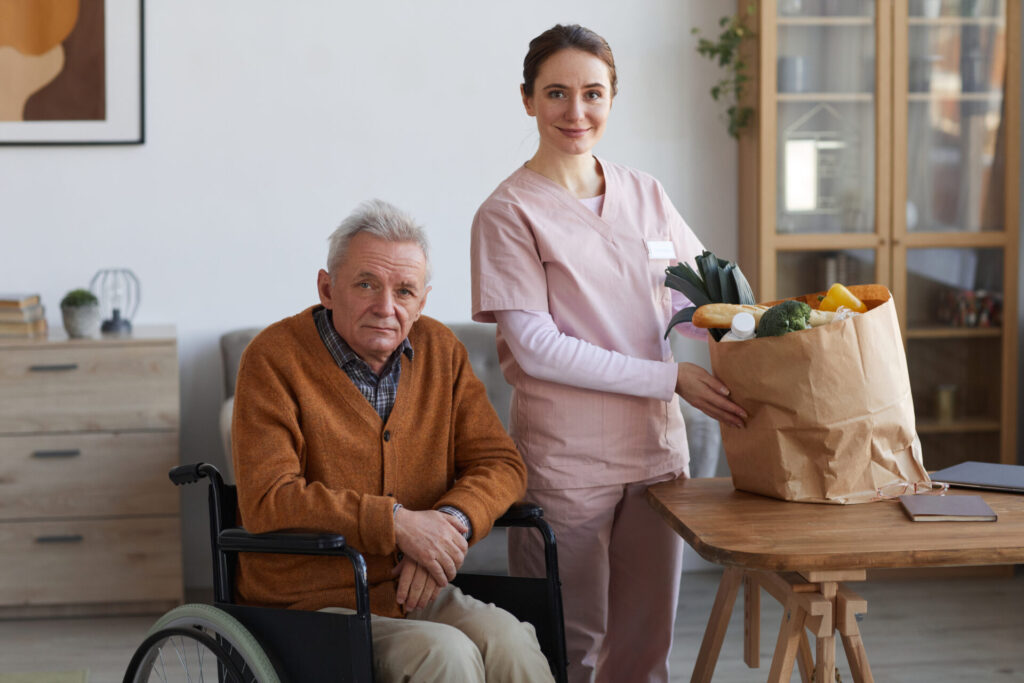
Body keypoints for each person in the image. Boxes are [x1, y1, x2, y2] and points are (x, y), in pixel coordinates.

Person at [470, 24, 747, 683]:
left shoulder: (646, 194)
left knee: (645, 652)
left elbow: (704, 296)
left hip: (655, 459)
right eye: (557, 93)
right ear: (528, 99)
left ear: (613, 99)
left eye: (593, 93)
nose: (576, 111)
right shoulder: (508, 212)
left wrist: (761, 332)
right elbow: (536, 349)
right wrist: (669, 376)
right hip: (568, 464)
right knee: (569, 650)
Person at [232, 199, 555, 683]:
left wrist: (448, 526)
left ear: (422, 302)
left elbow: (499, 462)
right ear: (327, 288)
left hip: (416, 589)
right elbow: (267, 499)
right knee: (445, 656)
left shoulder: (441, 351)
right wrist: (399, 525)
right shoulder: (273, 360)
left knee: (512, 641)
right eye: (366, 284)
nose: (386, 307)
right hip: (310, 603)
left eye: (404, 291)